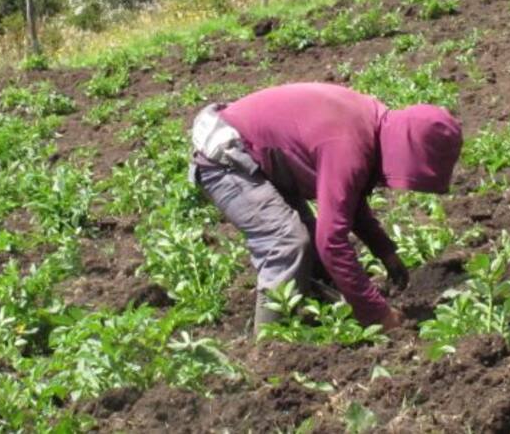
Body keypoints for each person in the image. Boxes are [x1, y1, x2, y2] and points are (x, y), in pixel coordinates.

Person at [188, 82, 462, 334]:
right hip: (227, 156)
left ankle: (315, 315)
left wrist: (385, 252)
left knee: (314, 257)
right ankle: (271, 348)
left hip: (261, 156)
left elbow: (349, 200)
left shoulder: (371, 123)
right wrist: (379, 316)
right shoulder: (349, 144)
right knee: (287, 243)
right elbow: (331, 242)